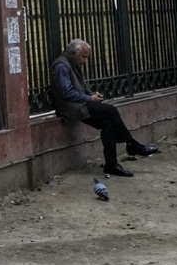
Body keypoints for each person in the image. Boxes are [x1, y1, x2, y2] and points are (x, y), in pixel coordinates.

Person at [51, 39, 159, 176]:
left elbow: (80, 87)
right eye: (83, 57)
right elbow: (66, 93)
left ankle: (111, 164)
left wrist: (91, 94)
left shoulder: (73, 63)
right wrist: (89, 98)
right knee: (111, 111)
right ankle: (132, 145)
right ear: (73, 53)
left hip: (80, 103)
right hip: (71, 108)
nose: (85, 61)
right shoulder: (61, 66)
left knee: (108, 123)